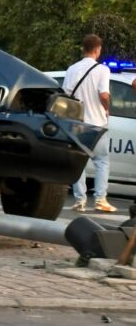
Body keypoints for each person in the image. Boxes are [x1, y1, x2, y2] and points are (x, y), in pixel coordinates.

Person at [63, 34, 117, 212]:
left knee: (78, 162)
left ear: (84, 48)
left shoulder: (71, 69)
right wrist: (107, 108)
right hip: (96, 123)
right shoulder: (102, 70)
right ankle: (100, 199)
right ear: (97, 49)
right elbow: (103, 94)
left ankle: (80, 201)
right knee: (101, 161)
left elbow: (65, 95)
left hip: (76, 123)